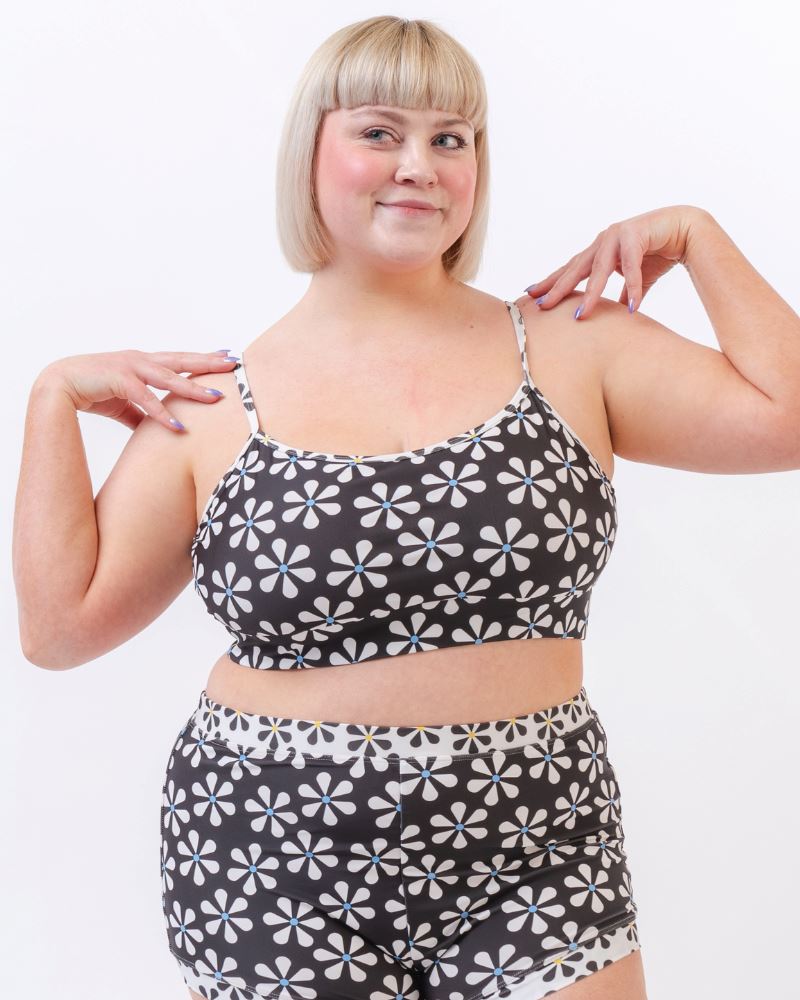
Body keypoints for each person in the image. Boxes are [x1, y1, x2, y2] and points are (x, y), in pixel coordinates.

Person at [16, 13, 800, 1000]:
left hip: (534, 837)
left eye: (449, 138)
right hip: (273, 852)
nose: (418, 165)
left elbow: (788, 418)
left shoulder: (568, 347)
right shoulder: (217, 404)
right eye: (378, 132)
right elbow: (58, 630)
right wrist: (51, 398)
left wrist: (694, 234)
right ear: (310, 152)